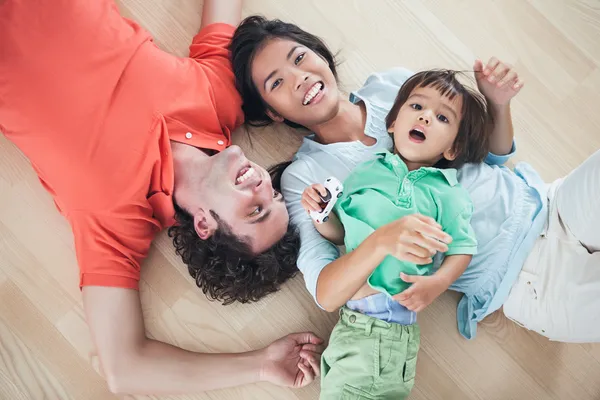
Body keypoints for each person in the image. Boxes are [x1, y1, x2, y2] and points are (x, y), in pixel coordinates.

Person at [0, 1, 321, 395]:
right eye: (273, 194)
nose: (260, 182)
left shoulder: (116, 222)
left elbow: (124, 368)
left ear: (204, 224)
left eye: (255, 210)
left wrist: (260, 365)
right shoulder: (220, 99)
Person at [230, 16, 600, 343]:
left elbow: (493, 156)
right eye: (277, 83)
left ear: (319, 54)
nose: (300, 79)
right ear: (271, 112)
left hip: (552, 202)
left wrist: (496, 106)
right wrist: (379, 244)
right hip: (528, 282)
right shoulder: (305, 178)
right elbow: (326, 292)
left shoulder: (392, 86)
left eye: (299, 58)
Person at [300, 69, 495, 399]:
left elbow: (463, 248)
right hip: (351, 325)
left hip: (386, 329)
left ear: (452, 149)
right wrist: (320, 213)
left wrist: (437, 283)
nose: (426, 117)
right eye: (417, 106)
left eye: (442, 117)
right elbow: (339, 235)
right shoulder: (367, 172)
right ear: (392, 122)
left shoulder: (447, 193)